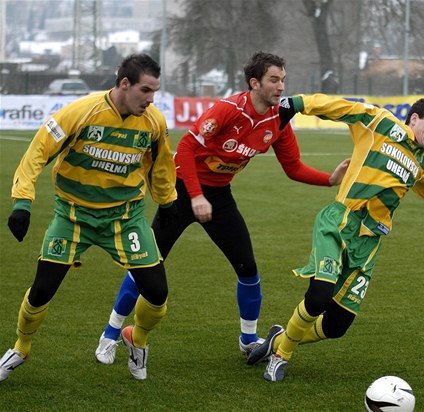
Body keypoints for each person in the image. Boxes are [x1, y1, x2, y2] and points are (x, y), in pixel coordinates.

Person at [94, 52, 349, 365]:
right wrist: (196, 196)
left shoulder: (278, 119)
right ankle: (109, 335)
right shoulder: (229, 109)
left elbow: (293, 167)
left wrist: (330, 180)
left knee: (247, 267)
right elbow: (186, 148)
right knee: (145, 265)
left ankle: (248, 339)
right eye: (274, 80)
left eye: (283, 79)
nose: (281, 86)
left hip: (219, 195)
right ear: (254, 83)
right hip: (182, 190)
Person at [247, 94, 424, 382]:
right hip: (339, 222)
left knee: (337, 325)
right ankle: (281, 355)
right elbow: (341, 107)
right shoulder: (381, 122)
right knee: (319, 296)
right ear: (414, 118)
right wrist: (297, 104)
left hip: (369, 243)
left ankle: (277, 339)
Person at [0, 54, 177, 382]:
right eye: (145, 90)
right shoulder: (81, 112)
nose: (151, 99)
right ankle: (20, 349)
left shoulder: (154, 122)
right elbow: (37, 152)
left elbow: (162, 164)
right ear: (124, 84)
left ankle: (136, 341)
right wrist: (23, 201)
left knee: (157, 293)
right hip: (73, 216)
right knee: (42, 290)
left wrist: (167, 203)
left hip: (125, 219)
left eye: (155, 91)